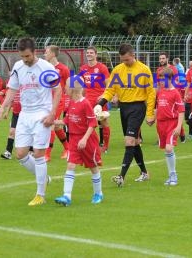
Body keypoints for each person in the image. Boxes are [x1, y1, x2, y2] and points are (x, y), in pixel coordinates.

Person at [0, 37, 62, 206]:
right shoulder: (18, 67)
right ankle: (44, 178)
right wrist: (3, 106)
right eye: (22, 56)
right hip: (25, 114)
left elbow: (58, 89)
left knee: (39, 154)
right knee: (20, 154)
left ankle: (40, 195)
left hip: (42, 113)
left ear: (34, 52)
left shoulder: (46, 67)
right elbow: (12, 89)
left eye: (27, 56)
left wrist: (52, 114)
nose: (25, 60)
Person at [94, 43, 156, 187]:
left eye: (127, 60)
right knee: (133, 142)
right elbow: (110, 90)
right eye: (122, 60)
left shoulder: (144, 70)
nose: (124, 63)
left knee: (128, 141)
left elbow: (151, 93)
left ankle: (121, 176)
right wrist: (100, 103)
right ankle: (144, 173)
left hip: (137, 107)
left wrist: (150, 113)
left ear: (133, 55)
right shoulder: (117, 70)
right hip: (124, 108)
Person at [54, 77, 103, 206]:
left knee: (93, 167)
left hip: (87, 140)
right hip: (74, 140)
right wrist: (53, 122)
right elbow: (67, 120)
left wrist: (85, 139)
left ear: (72, 89)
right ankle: (66, 196)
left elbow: (92, 123)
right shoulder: (70, 102)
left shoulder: (85, 103)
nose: (64, 89)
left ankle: (98, 193)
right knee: (70, 165)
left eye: (66, 87)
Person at [155, 68, 185, 185]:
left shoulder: (175, 93)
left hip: (171, 123)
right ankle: (171, 175)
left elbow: (181, 111)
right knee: (166, 150)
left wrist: (178, 127)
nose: (161, 81)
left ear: (170, 79)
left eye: (163, 79)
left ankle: (173, 175)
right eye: (160, 79)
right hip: (161, 124)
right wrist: (153, 118)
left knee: (169, 148)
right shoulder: (160, 91)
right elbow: (158, 107)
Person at [79, 46, 111, 152]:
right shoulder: (83, 68)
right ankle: (93, 144)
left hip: (99, 100)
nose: (89, 54)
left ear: (96, 54)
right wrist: (81, 97)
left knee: (104, 122)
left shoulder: (102, 68)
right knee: (89, 124)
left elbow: (108, 84)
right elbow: (83, 85)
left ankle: (105, 146)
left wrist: (104, 96)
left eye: (91, 52)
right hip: (88, 100)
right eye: (87, 52)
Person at [43, 45, 70, 161]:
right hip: (46, 101)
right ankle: (68, 148)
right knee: (58, 127)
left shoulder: (63, 69)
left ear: (53, 54)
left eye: (46, 52)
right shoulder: (44, 67)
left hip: (58, 101)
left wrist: (70, 100)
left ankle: (47, 154)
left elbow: (68, 85)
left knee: (51, 125)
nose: (44, 54)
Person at [157, 52, 185, 142]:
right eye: (160, 58)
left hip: (172, 97)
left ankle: (181, 132)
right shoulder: (158, 70)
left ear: (167, 59)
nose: (161, 60)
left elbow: (176, 83)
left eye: (163, 58)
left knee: (175, 115)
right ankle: (161, 137)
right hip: (162, 95)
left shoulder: (173, 69)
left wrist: (173, 93)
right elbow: (157, 84)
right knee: (161, 114)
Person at [0, 88, 21, 160]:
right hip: (15, 113)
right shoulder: (14, 87)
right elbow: (11, 100)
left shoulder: (26, 84)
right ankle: (8, 152)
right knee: (12, 132)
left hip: (26, 113)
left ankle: (31, 151)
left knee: (29, 132)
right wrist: (7, 112)